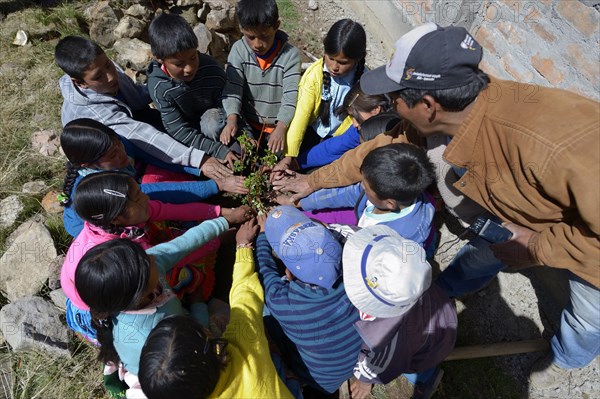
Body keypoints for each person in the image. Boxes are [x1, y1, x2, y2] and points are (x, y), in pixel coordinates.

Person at [281, 22, 600, 387]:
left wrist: (536, 246)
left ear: (427, 105)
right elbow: (375, 151)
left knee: (589, 315)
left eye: (396, 98)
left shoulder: (559, 147)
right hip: (510, 216)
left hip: (584, 240)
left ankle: (566, 358)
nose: (391, 106)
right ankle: (449, 289)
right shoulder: (449, 110)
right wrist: (310, 181)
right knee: (486, 251)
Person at [74, 210, 251, 396]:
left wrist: (225, 220)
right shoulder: (144, 334)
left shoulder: (142, 268)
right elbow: (192, 340)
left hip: (182, 326)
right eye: (147, 260)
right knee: (235, 323)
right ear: (138, 295)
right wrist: (199, 306)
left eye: (144, 254)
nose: (151, 255)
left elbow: (182, 244)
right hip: (176, 368)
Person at [61, 171, 249, 342]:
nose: (145, 197)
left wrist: (222, 213)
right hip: (100, 307)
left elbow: (167, 210)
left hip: (115, 282)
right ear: (117, 218)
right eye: (137, 197)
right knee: (185, 277)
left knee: (168, 232)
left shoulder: (112, 220)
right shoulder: (124, 253)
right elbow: (175, 256)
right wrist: (218, 239)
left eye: (139, 190)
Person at [138, 220, 295, 399]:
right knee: (266, 315)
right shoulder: (245, 346)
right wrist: (243, 247)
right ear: (215, 347)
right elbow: (245, 296)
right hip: (274, 385)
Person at [54, 35, 231, 181]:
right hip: (112, 154)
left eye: (108, 64)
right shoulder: (94, 113)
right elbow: (143, 135)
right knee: (161, 156)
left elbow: (137, 98)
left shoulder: (104, 72)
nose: (110, 76)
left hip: (134, 120)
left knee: (173, 126)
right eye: (99, 76)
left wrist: (162, 85)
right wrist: (200, 160)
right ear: (80, 83)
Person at [58, 118, 247, 237]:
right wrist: (216, 186)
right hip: (112, 225)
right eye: (113, 155)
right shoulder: (106, 188)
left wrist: (199, 168)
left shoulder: (113, 146)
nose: (121, 153)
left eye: (118, 145)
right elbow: (157, 195)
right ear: (88, 165)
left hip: (129, 200)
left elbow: (157, 155)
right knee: (157, 226)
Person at [342, 225, 457, 399]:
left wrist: (364, 380)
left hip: (432, 346)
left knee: (417, 361)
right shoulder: (408, 279)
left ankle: (425, 378)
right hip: (441, 311)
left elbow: (379, 366)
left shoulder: (391, 336)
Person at [258, 206, 363, 395]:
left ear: (288, 272)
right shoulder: (357, 272)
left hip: (315, 380)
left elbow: (265, 271)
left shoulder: (283, 302)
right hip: (354, 364)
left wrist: (263, 237)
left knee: (264, 310)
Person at [292, 143, 437, 256]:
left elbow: (361, 257)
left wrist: (327, 232)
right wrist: (301, 203)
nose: (360, 186)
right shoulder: (395, 191)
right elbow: (346, 194)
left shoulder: (397, 240)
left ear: (389, 204)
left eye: (366, 187)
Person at [274, 19, 367, 173]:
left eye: (343, 62)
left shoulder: (364, 84)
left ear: (358, 59)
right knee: (285, 158)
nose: (334, 67)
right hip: (310, 131)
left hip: (337, 140)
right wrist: (289, 156)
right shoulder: (314, 75)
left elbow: (351, 128)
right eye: (331, 58)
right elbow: (301, 116)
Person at [147, 13, 238, 165]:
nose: (189, 68)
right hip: (187, 130)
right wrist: (217, 150)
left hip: (215, 122)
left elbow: (230, 100)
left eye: (193, 58)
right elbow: (178, 129)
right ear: (160, 58)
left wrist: (238, 130)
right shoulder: (159, 88)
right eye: (179, 64)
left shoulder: (211, 68)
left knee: (211, 124)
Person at [219, 0, 301, 154]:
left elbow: (290, 97)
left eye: (264, 36)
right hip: (246, 124)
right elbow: (233, 88)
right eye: (250, 37)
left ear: (276, 26)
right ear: (241, 29)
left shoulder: (290, 56)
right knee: (235, 155)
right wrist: (232, 120)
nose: (257, 44)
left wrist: (281, 128)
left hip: (276, 128)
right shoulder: (238, 50)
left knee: (276, 161)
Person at [293, 83, 395, 171]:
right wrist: (298, 163)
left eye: (356, 116)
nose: (354, 124)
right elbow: (335, 146)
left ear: (375, 110)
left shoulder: (397, 135)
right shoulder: (359, 129)